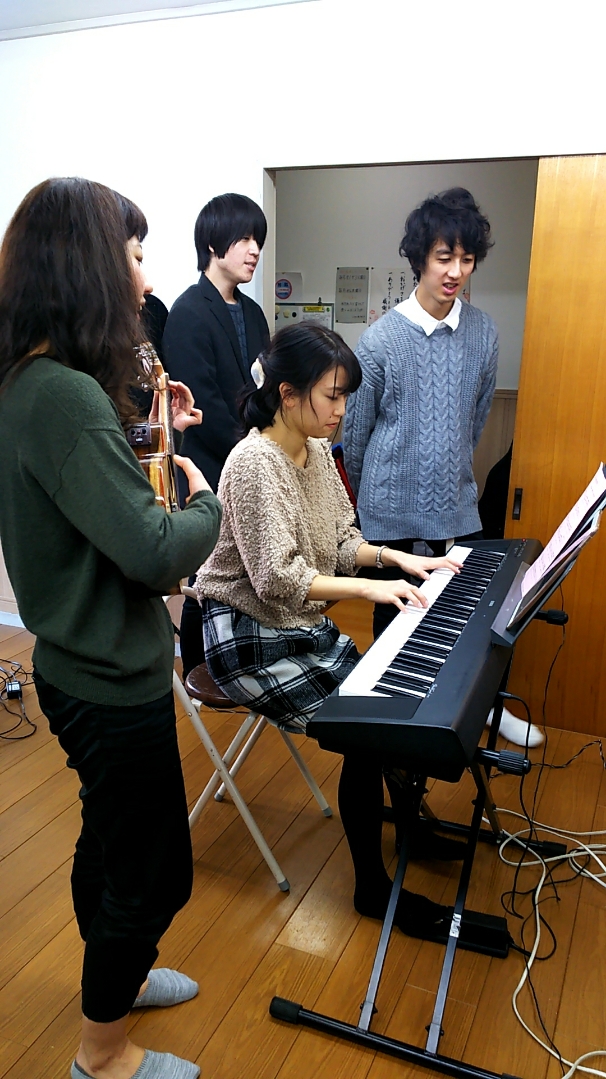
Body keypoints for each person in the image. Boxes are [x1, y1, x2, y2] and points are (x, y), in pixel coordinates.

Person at [0, 177, 223, 1079]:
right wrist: (207, 500)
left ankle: (115, 983)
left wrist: (154, 431)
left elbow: (90, 492)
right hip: (106, 677)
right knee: (155, 870)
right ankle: (103, 1052)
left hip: (76, 665)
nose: (145, 276)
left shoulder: (33, 382)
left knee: (110, 838)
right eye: (133, 255)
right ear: (89, 266)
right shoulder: (62, 396)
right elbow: (154, 549)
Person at [195, 322, 464, 939]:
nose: (342, 410)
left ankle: (412, 828)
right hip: (245, 635)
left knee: (388, 706)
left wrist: (397, 560)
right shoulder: (253, 463)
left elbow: (342, 541)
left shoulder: (316, 451)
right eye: (332, 396)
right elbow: (276, 579)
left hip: (298, 625)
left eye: (345, 397)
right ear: (288, 394)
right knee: (365, 732)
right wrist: (369, 590)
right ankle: (372, 886)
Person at [342, 187, 542, 748]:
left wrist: (446, 471)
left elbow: (474, 420)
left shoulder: (483, 332)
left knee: (475, 622)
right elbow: (354, 441)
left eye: (467, 259)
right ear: (419, 258)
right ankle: (398, 733)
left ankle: (483, 711)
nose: (455, 272)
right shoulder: (379, 341)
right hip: (390, 518)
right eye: (443, 257)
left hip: (455, 507)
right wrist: (384, 495)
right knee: (395, 635)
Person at [163, 192, 271, 678]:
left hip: (249, 462)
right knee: (204, 580)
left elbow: (264, 388)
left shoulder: (253, 313)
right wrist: (253, 453)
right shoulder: (188, 311)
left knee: (242, 576)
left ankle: (237, 664)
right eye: (244, 238)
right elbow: (200, 404)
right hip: (207, 469)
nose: (254, 250)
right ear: (212, 243)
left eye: (257, 240)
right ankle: (197, 673)